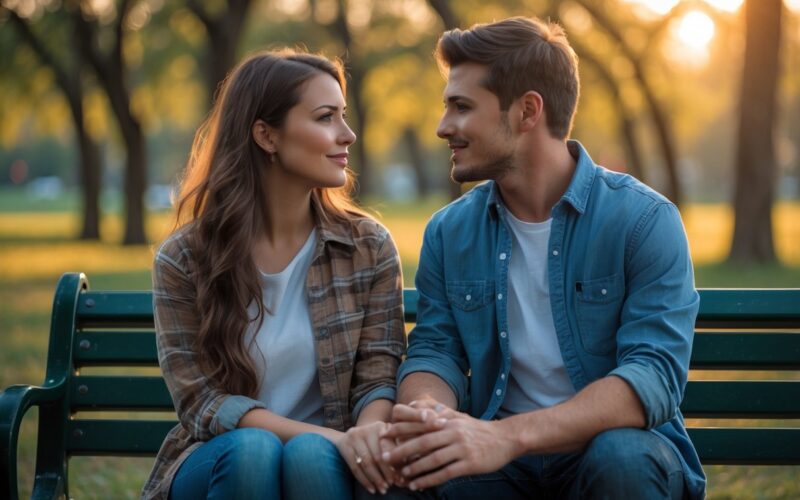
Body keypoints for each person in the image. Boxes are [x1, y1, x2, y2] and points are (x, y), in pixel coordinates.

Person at [379, 16, 704, 500]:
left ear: (527, 111)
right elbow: (436, 351)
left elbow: (650, 378)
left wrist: (504, 438)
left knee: (621, 459)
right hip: (500, 466)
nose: (443, 126)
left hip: (611, 452)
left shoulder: (643, 220)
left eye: (461, 107)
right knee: (417, 472)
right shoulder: (450, 232)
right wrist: (430, 413)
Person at [142, 49, 405, 500]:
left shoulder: (368, 247)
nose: (348, 134)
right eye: (326, 118)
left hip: (328, 462)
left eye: (343, 116)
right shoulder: (185, 259)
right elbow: (202, 404)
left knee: (307, 457)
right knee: (254, 451)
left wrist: (360, 439)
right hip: (220, 461)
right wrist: (331, 439)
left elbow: (379, 376)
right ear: (266, 135)